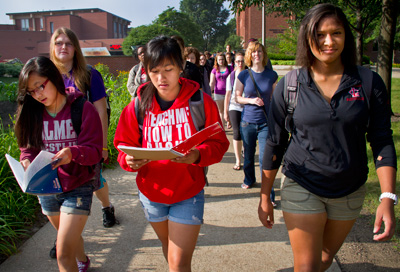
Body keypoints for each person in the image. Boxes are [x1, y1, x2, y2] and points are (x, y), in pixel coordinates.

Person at [259, 4, 397, 271]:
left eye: (336, 33)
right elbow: (275, 142)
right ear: (307, 37)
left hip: (349, 190)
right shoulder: (289, 85)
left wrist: (387, 196)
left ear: (347, 36)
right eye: (320, 34)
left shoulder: (368, 83)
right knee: (307, 265)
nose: (329, 42)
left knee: (323, 259)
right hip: (302, 183)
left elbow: (381, 140)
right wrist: (266, 195)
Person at [114, 36, 229, 271]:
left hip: (188, 192)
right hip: (151, 194)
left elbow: (219, 144)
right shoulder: (136, 107)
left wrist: (197, 155)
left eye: (168, 69)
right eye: (154, 71)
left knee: (178, 263)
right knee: (169, 251)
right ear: (146, 71)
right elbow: (122, 148)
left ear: (181, 67)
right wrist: (129, 161)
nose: (161, 77)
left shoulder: (200, 102)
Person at [15, 56, 103, 272]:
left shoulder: (83, 108)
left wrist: (72, 153)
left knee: (63, 252)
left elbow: (94, 152)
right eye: (31, 91)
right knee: (69, 240)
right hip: (45, 188)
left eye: (40, 86)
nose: (38, 94)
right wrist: (26, 159)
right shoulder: (33, 112)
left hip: (77, 185)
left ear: (54, 78)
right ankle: (82, 258)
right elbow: (27, 147)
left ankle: (76, 259)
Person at [49, 27, 117, 257]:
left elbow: (100, 111)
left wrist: (102, 145)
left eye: (68, 43)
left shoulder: (89, 74)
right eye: (58, 43)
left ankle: (107, 207)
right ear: (53, 46)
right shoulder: (47, 76)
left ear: (75, 47)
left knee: (94, 182)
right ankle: (64, 237)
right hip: (56, 142)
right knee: (56, 189)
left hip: (86, 142)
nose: (63, 47)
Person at [235, 41, 277, 206]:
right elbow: (237, 97)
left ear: (263, 54)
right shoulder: (244, 75)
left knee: (266, 160)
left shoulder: (271, 75)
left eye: (259, 51)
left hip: (266, 122)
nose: (256, 54)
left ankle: (269, 195)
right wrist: (251, 100)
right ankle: (249, 178)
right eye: (253, 52)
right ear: (249, 55)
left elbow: (275, 98)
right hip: (248, 121)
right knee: (249, 156)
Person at [224, 52, 245, 170]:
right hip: (234, 106)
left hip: (247, 106)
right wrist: (226, 112)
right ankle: (238, 160)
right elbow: (228, 94)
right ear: (234, 62)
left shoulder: (249, 74)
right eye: (238, 61)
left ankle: (244, 152)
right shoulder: (231, 76)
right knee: (237, 132)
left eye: (242, 61)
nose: (240, 63)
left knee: (245, 132)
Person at [210, 52, 233, 128]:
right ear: (217, 60)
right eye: (219, 60)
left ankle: (229, 122)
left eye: (222, 59)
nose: (221, 61)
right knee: (221, 111)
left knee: (228, 109)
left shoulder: (229, 68)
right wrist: (209, 92)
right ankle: (222, 128)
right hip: (218, 93)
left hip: (228, 92)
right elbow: (212, 82)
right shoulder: (214, 70)